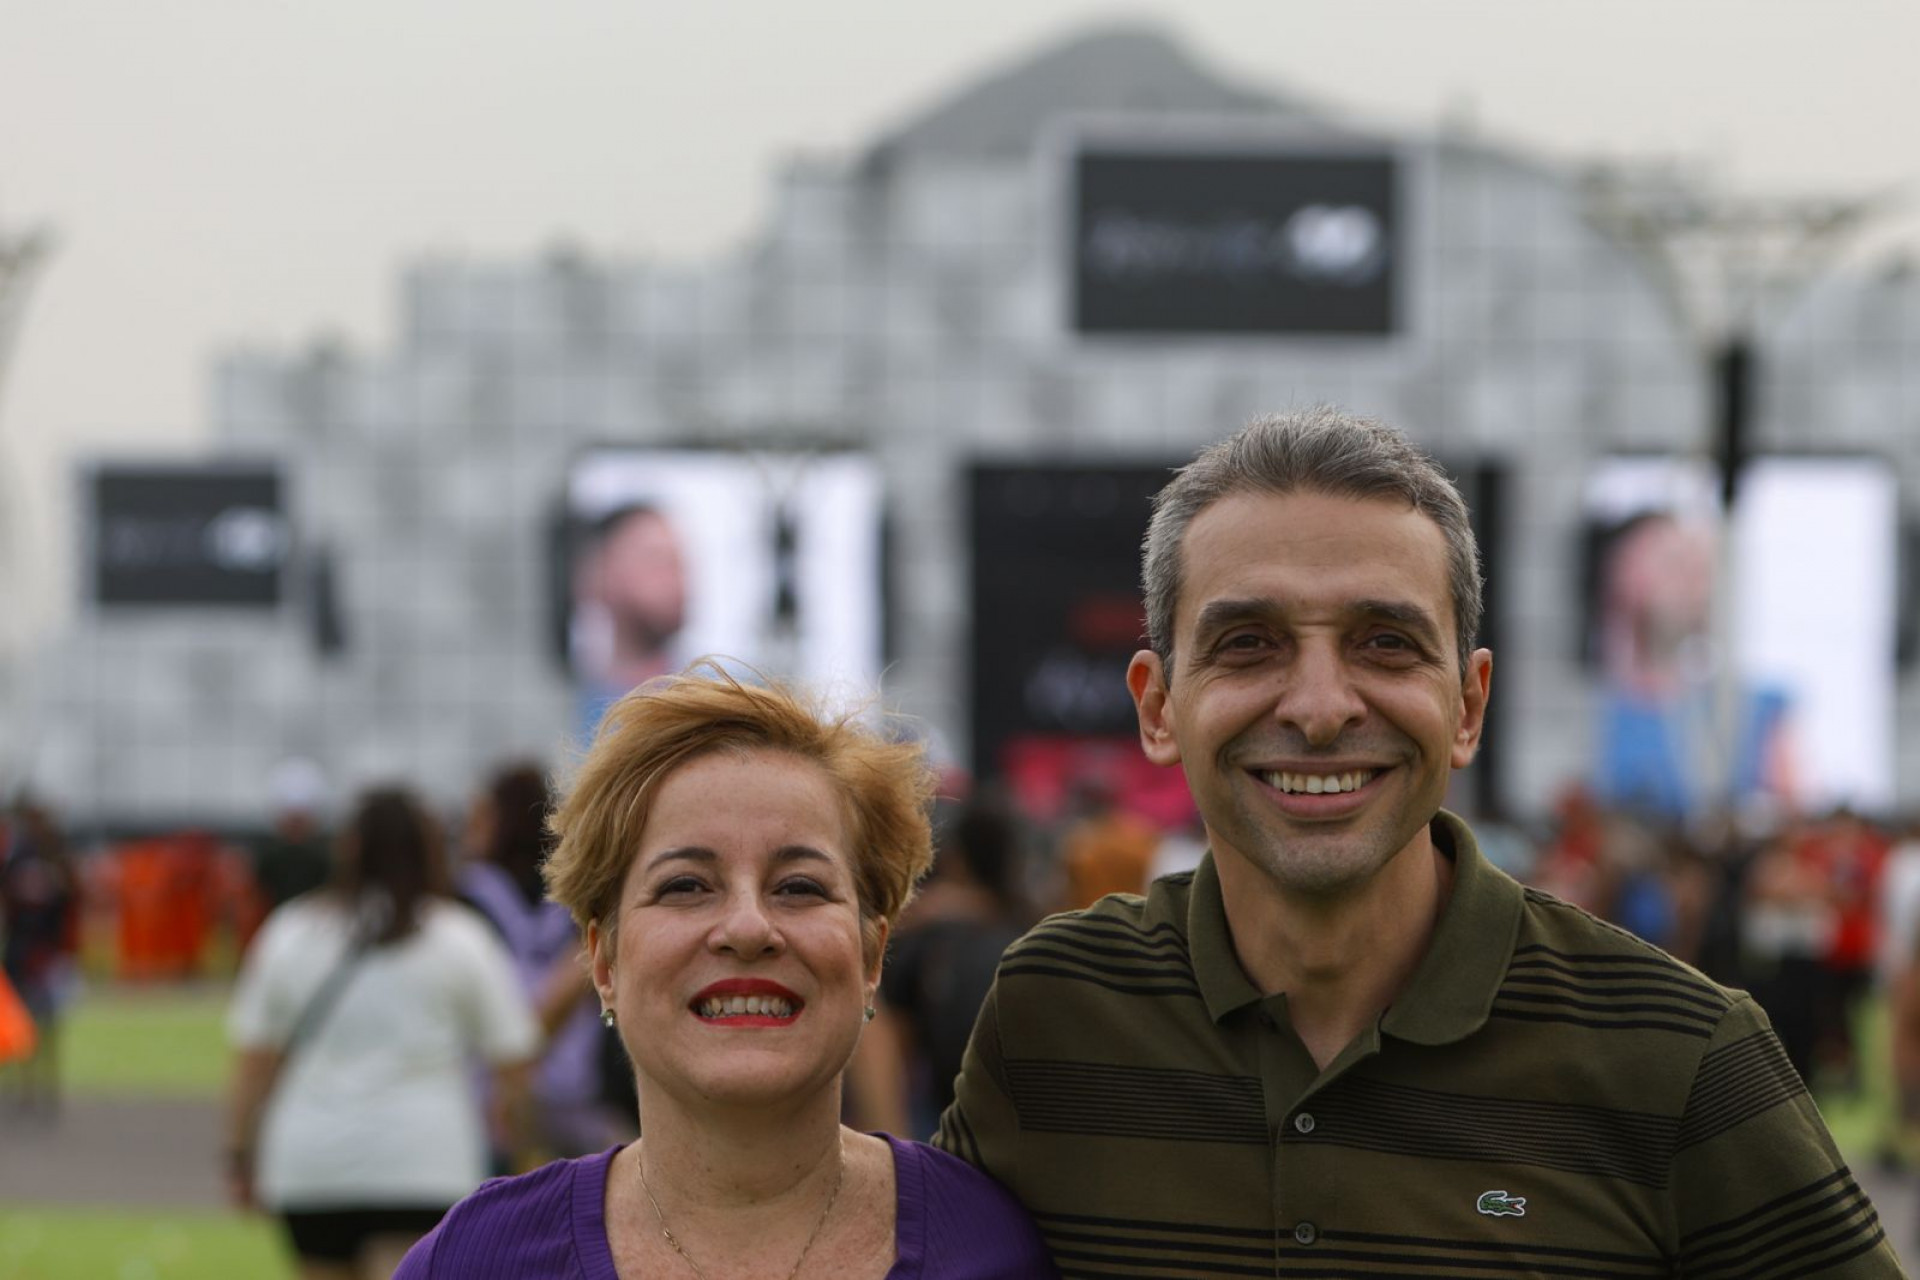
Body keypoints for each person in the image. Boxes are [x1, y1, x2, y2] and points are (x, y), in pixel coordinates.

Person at [936, 408, 1903, 1277]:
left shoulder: (1681, 1053)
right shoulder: (1053, 1010)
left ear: (1469, 705)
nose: (1319, 709)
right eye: (1249, 644)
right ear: (1157, 706)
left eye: (1385, 643)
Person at [397, 664, 1055, 1278]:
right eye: (685, 885)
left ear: (871, 956)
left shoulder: (999, 1247)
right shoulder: (473, 1260)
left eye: (799, 886)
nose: (746, 928)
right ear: (603, 963)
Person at [227, 786, 539, 1280]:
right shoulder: (457, 937)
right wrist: (520, 1150)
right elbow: (513, 1058)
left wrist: (241, 1152)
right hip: (423, 1159)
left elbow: (254, 1060)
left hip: (313, 1162)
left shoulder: (293, 931)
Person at [458, 762, 631, 1161]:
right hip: (575, 1084)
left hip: (496, 1088)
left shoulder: (470, 897)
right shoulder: (576, 898)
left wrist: (519, 1057)